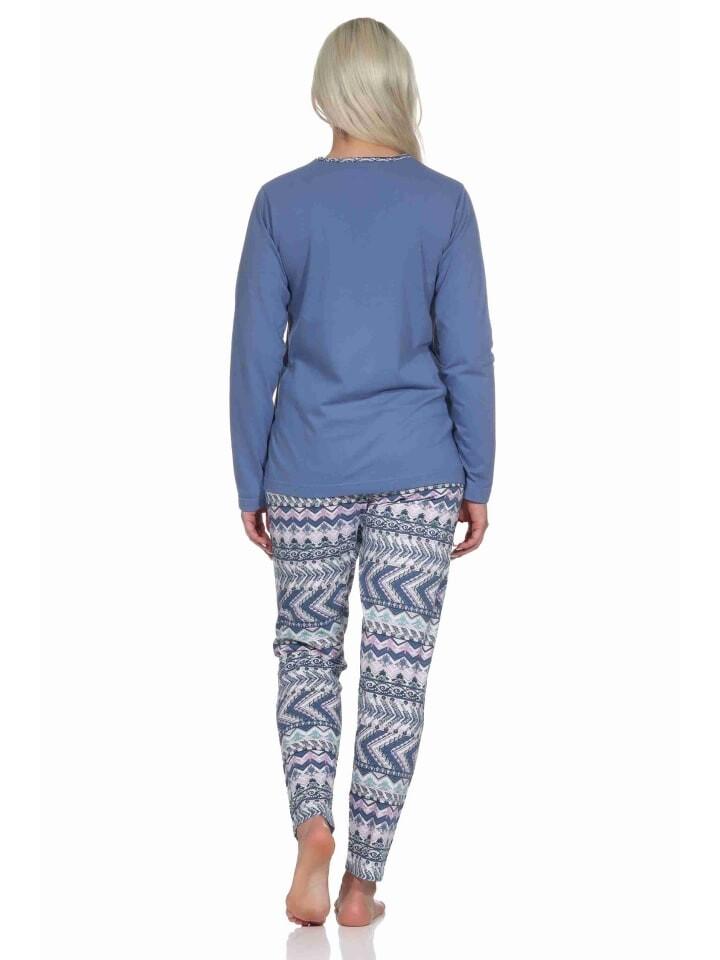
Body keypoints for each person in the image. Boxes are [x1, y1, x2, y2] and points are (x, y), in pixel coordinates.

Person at [230, 17, 495, 927]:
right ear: (397, 89)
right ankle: (359, 887)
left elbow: (252, 357)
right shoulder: (445, 203)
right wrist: (478, 478)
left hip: (305, 464)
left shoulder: (280, 203)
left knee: (307, 654)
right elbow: (468, 356)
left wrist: (249, 481)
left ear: (325, 92)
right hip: (422, 468)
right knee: (395, 673)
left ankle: (312, 824)